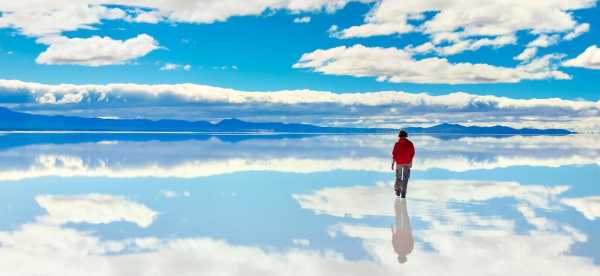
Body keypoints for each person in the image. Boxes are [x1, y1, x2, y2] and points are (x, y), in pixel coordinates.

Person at [391, 129, 415, 198]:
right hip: (407, 162)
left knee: (398, 177)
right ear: (406, 136)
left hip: (399, 163)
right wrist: (411, 162)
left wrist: (392, 164)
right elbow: (412, 154)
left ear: (399, 136)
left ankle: (398, 190)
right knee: (405, 178)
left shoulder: (397, 144)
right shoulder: (410, 143)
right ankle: (403, 193)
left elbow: (394, 155)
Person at [392, 198, 414, 264]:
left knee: (402, 215)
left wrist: (393, 232)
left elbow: (394, 241)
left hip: (404, 231)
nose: (400, 256)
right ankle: (400, 202)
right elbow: (394, 241)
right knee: (402, 215)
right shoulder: (404, 251)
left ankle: (400, 202)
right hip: (404, 231)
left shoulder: (407, 251)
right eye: (401, 257)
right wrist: (393, 232)